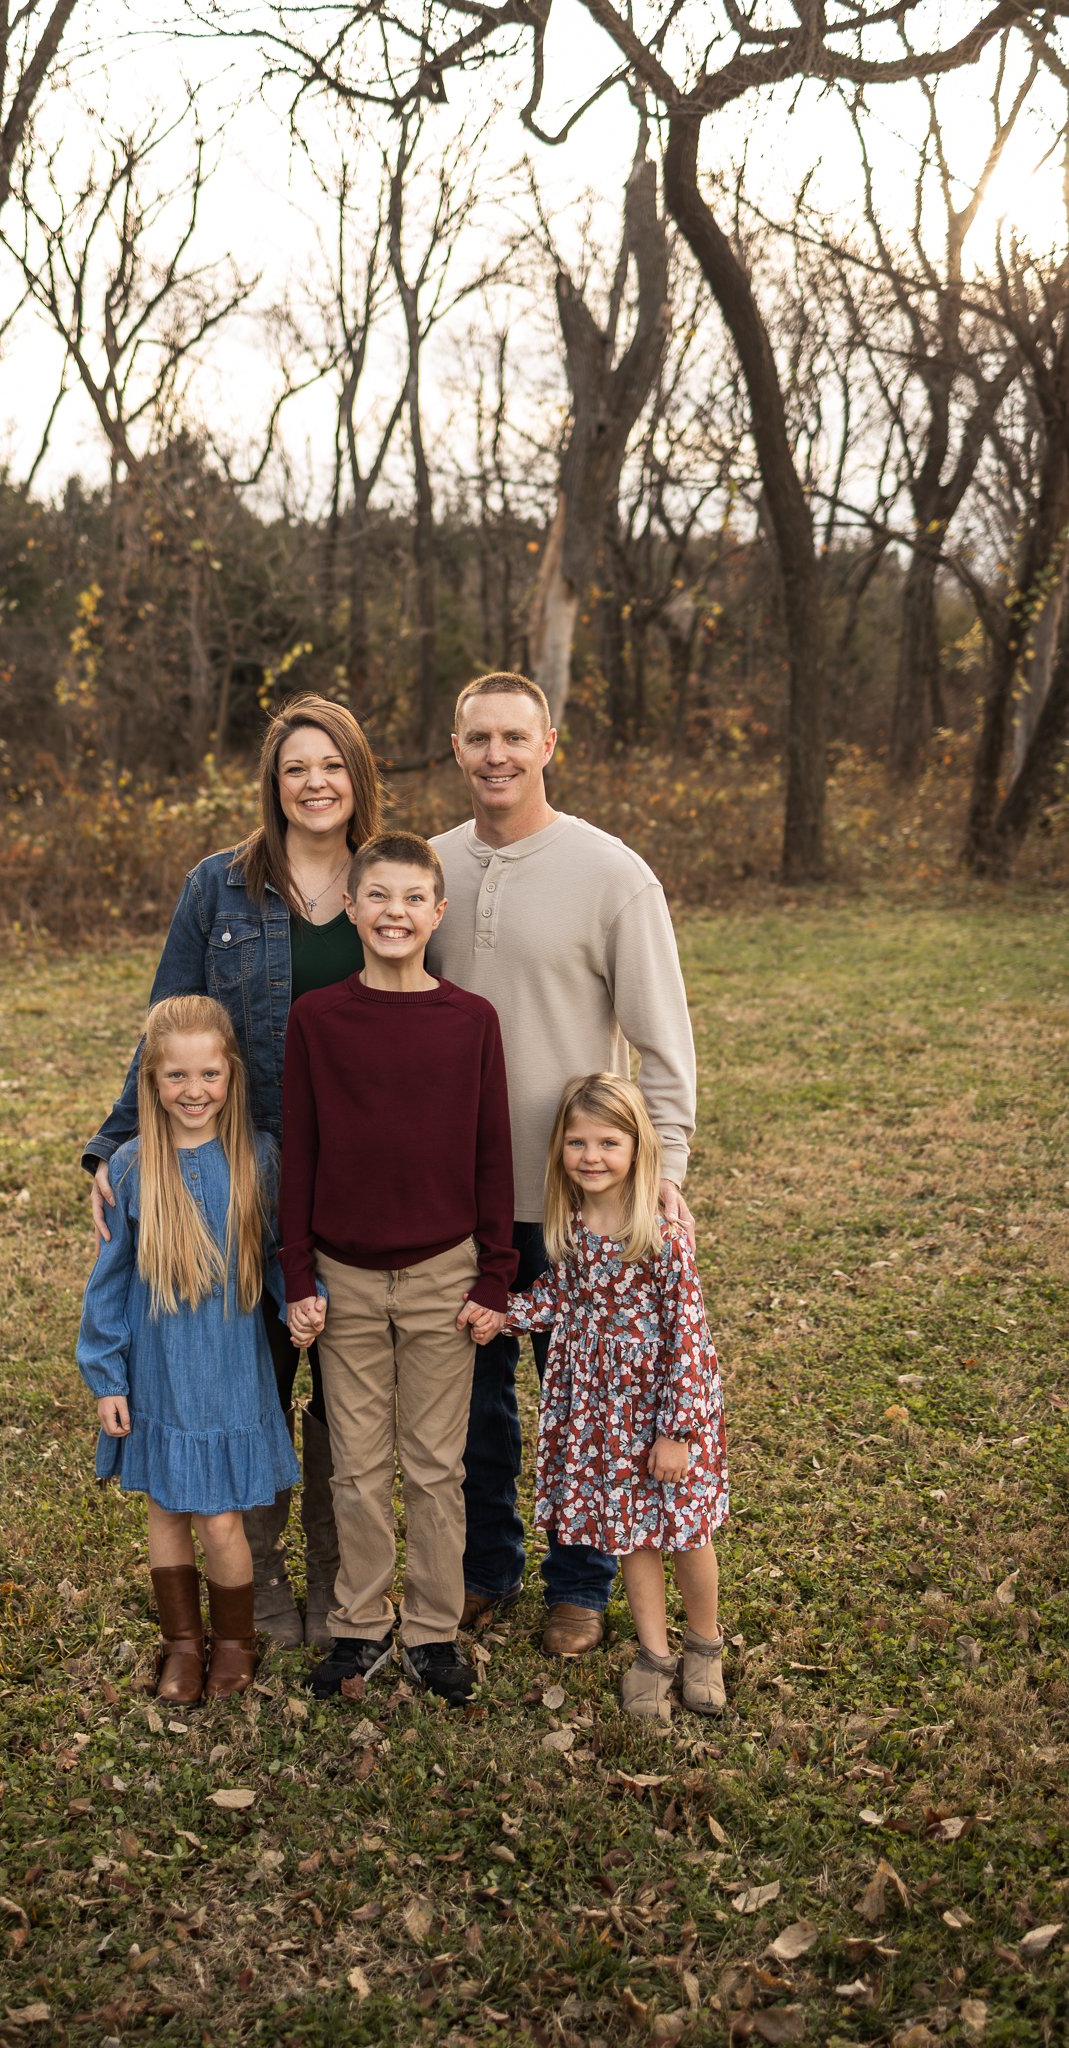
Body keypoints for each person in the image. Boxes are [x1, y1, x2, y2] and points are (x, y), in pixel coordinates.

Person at [83, 695, 384, 1650]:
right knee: (247, 1374)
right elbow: (167, 1027)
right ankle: (256, 1580)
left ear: (357, 776)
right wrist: (112, 1149)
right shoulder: (216, 887)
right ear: (272, 783)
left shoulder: (391, 882)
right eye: (295, 768)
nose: (314, 783)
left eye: (331, 765)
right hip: (240, 1177)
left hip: (358, 1180)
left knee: (345, 1392)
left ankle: (342, 1582)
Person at [430, 672, 697, 1657]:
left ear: (549, 744)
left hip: (578, 1200)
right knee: (475, 1404)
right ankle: (485, 1567)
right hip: (458, 1197)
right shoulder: (429, 868)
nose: (495, 755)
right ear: (456, 747)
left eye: (515, 736)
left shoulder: (610, 874)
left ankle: (579, 1585)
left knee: (588, 1404)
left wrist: (664, 1171)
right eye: (478, 737)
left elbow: (662, 1040)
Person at [279, 832, 516, 1706]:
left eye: (414, 898)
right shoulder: (318, 1020)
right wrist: (297, 1275)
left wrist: (493, 1276)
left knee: (434, 1466)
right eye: (378, 896)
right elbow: (299, 1153)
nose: (395, 913)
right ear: (351, 908)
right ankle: (359, 1625)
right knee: (355, 1466)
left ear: (437, 913)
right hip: (341, 1275)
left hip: (442, 1274)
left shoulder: (470, 1021)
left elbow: (492, 1156)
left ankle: (431, 1631)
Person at [77, 995, 303, 1705]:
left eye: (208, 1074)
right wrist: (107, 1377)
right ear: (151, 1081)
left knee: (221, 1517)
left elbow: (278, 1254)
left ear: (232, 1073)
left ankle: (234, 1642)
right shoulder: (131, 1168)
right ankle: (181, 1643)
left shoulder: (258, 1158)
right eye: (176, 1075)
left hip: (231, 1371)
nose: (194, 1090)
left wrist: (302, 1299)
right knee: (167, 1511)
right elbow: (108, 1283)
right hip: (157, 1372)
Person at [505, 1074, 728, 1720]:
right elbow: (561, 1299)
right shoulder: (572, 1225)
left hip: (662, 1415)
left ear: (637, 1148)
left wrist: (677, 1434)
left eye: (608, 1142)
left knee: (687, 1533)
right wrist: (502, 1314)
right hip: (604, 1416)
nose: (591, 1156)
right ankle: (653, 1656)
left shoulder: (660, 1233)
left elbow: (689, 1340)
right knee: (629, 1535)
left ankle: (704, 1647)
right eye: (577, 1142)